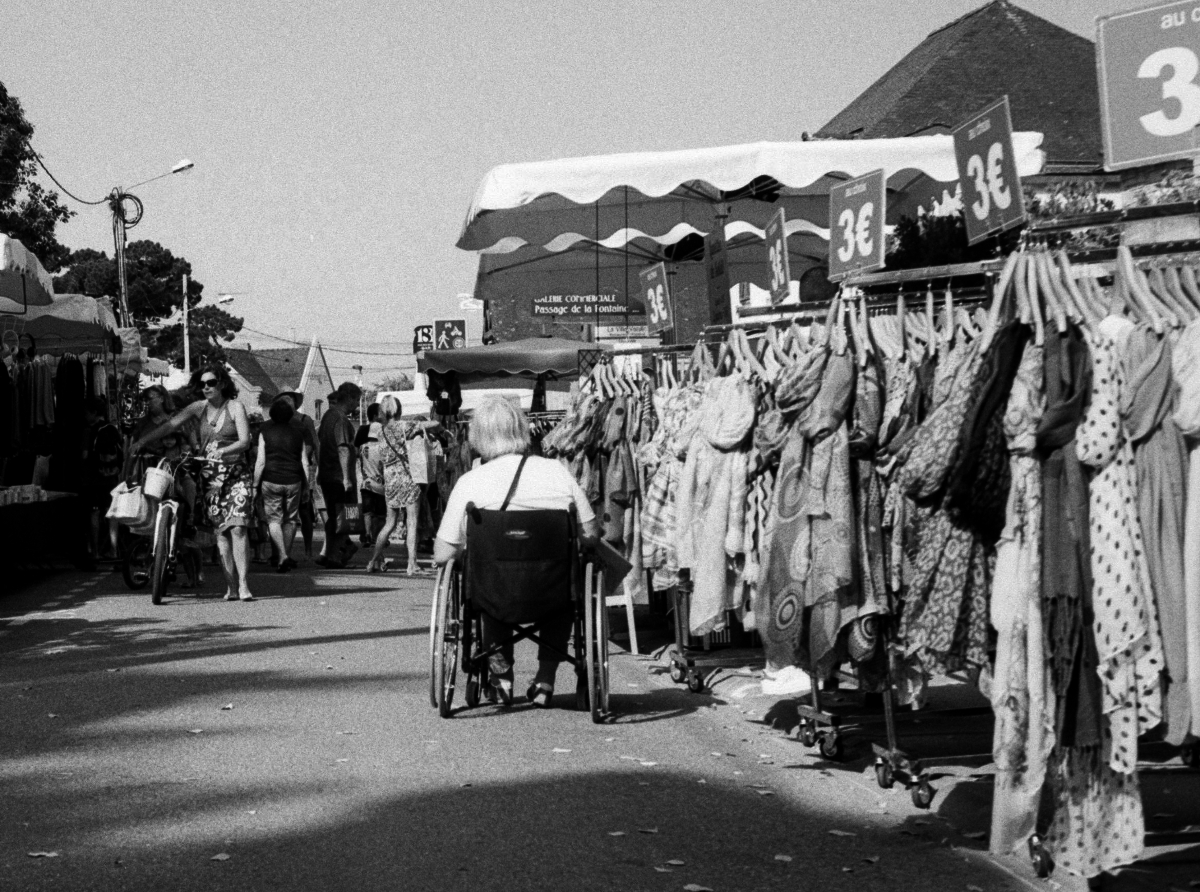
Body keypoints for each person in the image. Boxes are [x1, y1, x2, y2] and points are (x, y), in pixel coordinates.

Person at [434, 397, 598, 708]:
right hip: (553, 592)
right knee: (564, 575)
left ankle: (501, 679)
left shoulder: (470, 482)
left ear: (477, 437)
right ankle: (545, 680)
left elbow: (443, 553)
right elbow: (591, 534)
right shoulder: (556, 472)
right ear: (523, 430)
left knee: (492, 578)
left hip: (494, 594)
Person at [132, 364, 256, 602]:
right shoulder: (198, 408)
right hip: (210, 477)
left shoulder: (235, 407)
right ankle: (230, 586)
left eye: (211, 383)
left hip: (236, 474)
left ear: (222, 384)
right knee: (221, 533)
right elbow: (170, 425)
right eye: (202, 384)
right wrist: (142, 441)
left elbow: (245, 441)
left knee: (238, 528)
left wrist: (224, 450)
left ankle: (243, 584)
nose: (206, 387)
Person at [369, 396, 439, 574]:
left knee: (389, 523)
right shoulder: (403, 426)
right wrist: (441, 428)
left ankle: (373, 561)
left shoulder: (380, 431)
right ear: (398, 410)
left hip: (390, 480)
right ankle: (412, 564)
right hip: (407, 478)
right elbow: (433, 423)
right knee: (412, 522)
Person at [253, 396, 309, 573]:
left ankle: (281, 555)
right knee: (291, 520)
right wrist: (306, 485)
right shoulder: (298, 434)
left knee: (273, 520)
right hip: (294, 480)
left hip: (270, 479)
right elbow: (304, 462)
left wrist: (255, 484)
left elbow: (260, 461)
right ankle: (286, 555)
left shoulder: (264, 432)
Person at [315, 381, 361, 569]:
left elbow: (321, 445)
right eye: (356, 400)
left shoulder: (327, 416)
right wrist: (346, 478)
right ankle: (336, 555)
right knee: (343, 518)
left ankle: (334, 551)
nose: (357, 405)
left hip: (327, 473)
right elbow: (343, 449)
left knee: (333, 517)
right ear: (349, 398)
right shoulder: (341, 419)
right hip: (338, 476)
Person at [276, 391, 318, 558]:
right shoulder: (275, 422)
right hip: (282, 472)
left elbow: (312, 444)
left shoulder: (304, 420)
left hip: (302, 471)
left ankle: (308, 549)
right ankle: (282, 552)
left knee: (304, 511)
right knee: (282, 514)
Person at [82, 397, 122, 563]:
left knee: (94, 512)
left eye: (86, 412)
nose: (84, 416)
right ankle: (114, 550)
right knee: (111, 513)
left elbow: (84, 455)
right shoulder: (113, 429)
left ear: (94, 413)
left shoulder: (89, 431)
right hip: (111, 478)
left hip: (93, 478)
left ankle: (95, 552)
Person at [358, 418, 386, 553]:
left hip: (366, 484)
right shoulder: (383, 448)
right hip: (380, 485)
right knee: (380, 513)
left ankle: (367, 535)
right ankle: (377, 537)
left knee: (367, 512)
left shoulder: (362, 447)